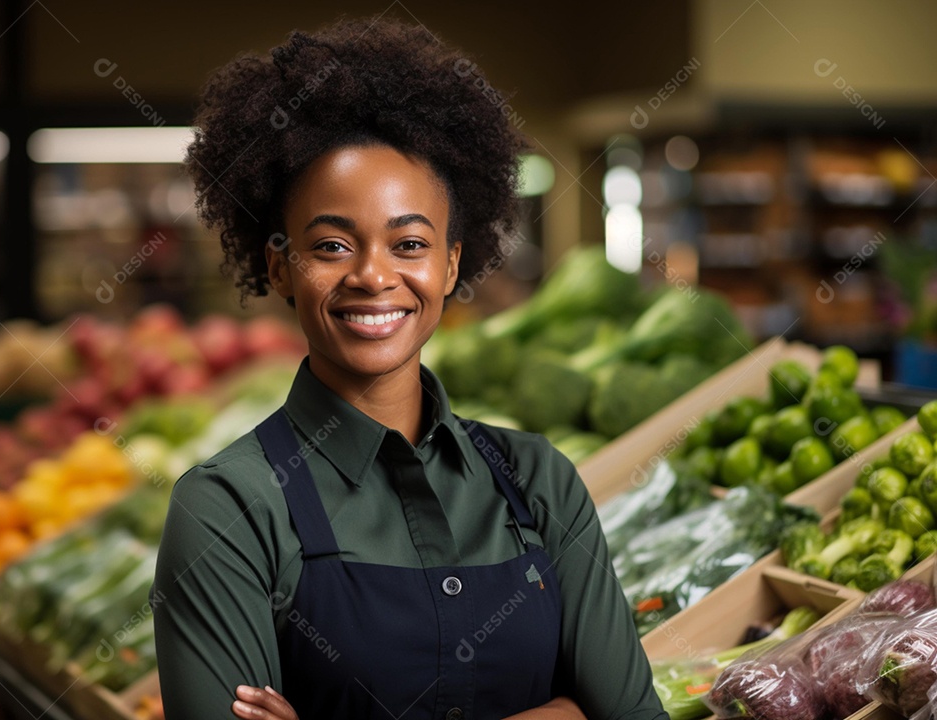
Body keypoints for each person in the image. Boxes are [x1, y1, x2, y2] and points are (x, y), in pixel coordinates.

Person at [151, 15, 667, 720]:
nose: (372, 276)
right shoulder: (230, 508)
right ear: (280, 267)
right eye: (332, 246)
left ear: (451, 263)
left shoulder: (540, 481)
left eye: (410, 244)